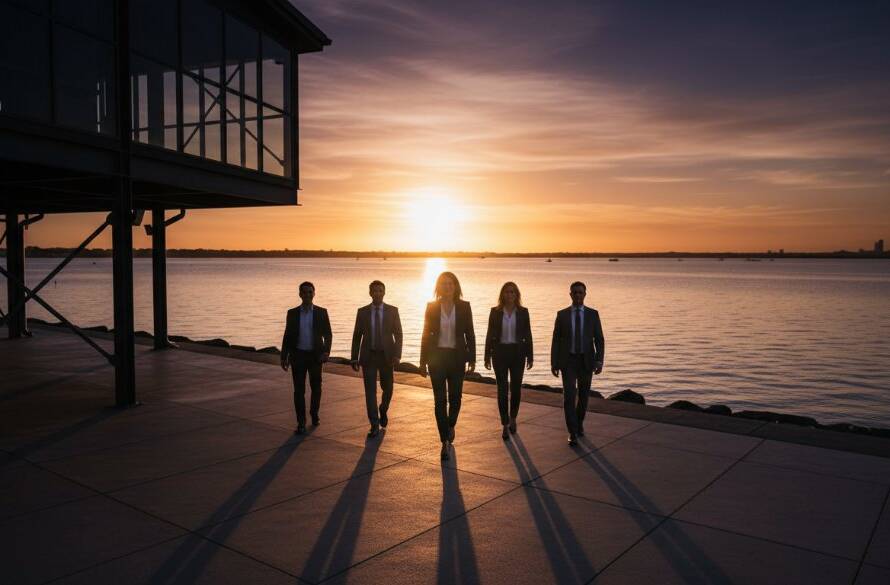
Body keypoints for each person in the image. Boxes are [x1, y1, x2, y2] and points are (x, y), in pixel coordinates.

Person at [420, 271, 476, 461]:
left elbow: (470, 333)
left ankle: (451, 424)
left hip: (457, 358)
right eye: (444, 283)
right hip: (436, 359)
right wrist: (422, 362)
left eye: (450, 283)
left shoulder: (464, 307)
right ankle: (444, 440)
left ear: (456, 286)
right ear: (438, 287)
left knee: (456, 397)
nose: (447, 286)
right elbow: (425, 334)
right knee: (439, 400)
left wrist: (472, 358)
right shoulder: (431, 307)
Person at [550, 281, 605, 446]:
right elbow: (556, 341)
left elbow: (599, 339)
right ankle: (572, 432)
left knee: (583, 397)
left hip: (586, 361)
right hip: (568, 361)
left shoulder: (593, 314)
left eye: (580, 292)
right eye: (575, 292)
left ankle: (579, 423)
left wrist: (599, 360)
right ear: (570, 295)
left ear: (585, 294)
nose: (578, 295)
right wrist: (554, 363)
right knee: (569, 397)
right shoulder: (562, 315)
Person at [350, 280, 403, 438]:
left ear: (384, 292)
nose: (378, 293)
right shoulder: (362, 312)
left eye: (380, 291)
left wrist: (397, 355)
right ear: (370, 293)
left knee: (388, 388)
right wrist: (354, 357)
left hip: (387, 356)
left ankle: (383, 409)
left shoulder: (392, 311)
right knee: (370, 392)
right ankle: (374, 424)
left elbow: (398, 334)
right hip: (369, 356)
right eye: (375, 291)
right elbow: (357, 336)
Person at [280, 281, 332, 434]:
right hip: (298, 356)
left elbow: (328, 334)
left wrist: (326, 352)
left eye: (310, 292)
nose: (307, 295)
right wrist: (284, 356)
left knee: (317, 388)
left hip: (316, 357)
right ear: (300, 294)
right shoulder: (293, 313)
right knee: (299, 391)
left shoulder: (322, 312)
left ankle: (314, 414)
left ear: (314, 293)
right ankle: (301, 422)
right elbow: (287, 335)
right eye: (304, 292)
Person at [484, 282, 533, 440]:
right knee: (502, 389)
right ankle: (504, 423)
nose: (509, 295)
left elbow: (528, 335)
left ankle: (513, 418)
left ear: (516, 295)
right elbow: (489, 334)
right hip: (500, 353)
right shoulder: (495, 312)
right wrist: (487, 356)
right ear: (502, 294)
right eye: (507, 292)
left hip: (518, 354)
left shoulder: (523, 312)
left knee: (516, 389)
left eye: (512, 292)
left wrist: (530, 356)